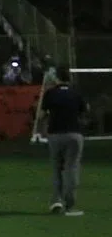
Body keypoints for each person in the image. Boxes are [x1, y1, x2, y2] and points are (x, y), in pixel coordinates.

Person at [41, 66, 87, 216]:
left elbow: (42, 114)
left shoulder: (50, 93)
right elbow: (85, 111)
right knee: (71, 168)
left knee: (56, 169)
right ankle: (70, 205)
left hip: (55, 134)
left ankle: (56, 200)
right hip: (74, 133)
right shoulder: (76, 93)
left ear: (57, 78)